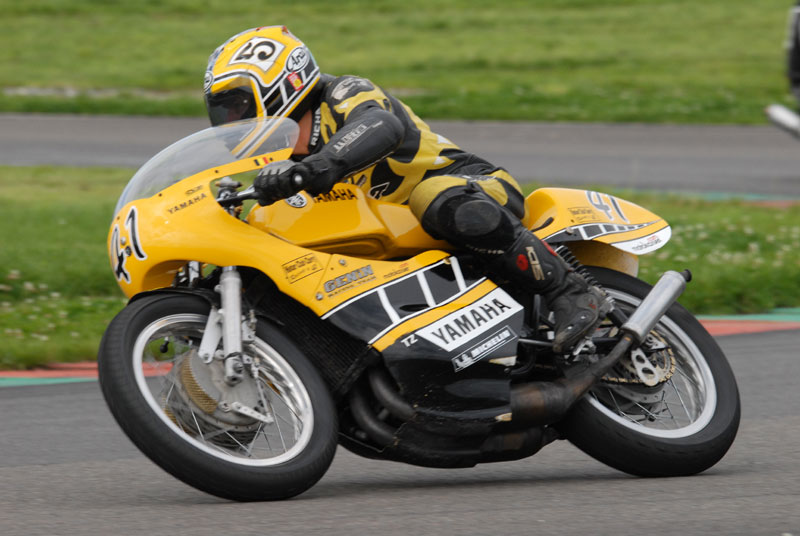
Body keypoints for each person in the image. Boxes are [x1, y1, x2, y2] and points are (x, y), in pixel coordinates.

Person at [203, 26, 608, 353]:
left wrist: (316, 167)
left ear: (282, 82)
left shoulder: (344, 93)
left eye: (237, 105)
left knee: (433, 198)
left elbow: (382, 126)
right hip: (402, 241)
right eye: (223, 110)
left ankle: (573, 292)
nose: (232, 119)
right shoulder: (279, 159)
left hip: (473, 188)